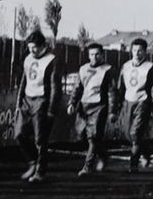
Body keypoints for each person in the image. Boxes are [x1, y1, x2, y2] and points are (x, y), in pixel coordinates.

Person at [14, 30, 61, 183]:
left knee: (40, 139)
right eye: (29, 47)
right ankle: (32, 162)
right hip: (27, 100)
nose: (31, 50)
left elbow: (55, 87)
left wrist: (52, 110)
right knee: (19, 134)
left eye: (34, 47)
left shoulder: (52, 60)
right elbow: (23, 81)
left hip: (42, 101)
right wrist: (18, 103)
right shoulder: (28, 58)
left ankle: (40, 171)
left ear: (42, 46)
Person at [67, 43, 117, 177]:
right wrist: (72, 103)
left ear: (102, 55)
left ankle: (88, 166)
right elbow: (78, 88)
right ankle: (102, 155)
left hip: (99, 106)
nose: (94, 57)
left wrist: (112, 111)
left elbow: (112, 92)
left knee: (93, 137)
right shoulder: (83, 69)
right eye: (91, 54)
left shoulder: (108, 70)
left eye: (97, 54)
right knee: (81, 136)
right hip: (84, 105)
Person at [114, 38, 153, 173]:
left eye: (140, 51)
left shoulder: (150, 67)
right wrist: (117, 105)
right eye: (134, 50)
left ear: (145, 52)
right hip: (128, 101)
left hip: (143, 102)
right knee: (128, 134)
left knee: (135, 133)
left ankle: (133, 164)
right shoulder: (126, 66)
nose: (137, 53)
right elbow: (120, 86)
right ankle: (146, 151)